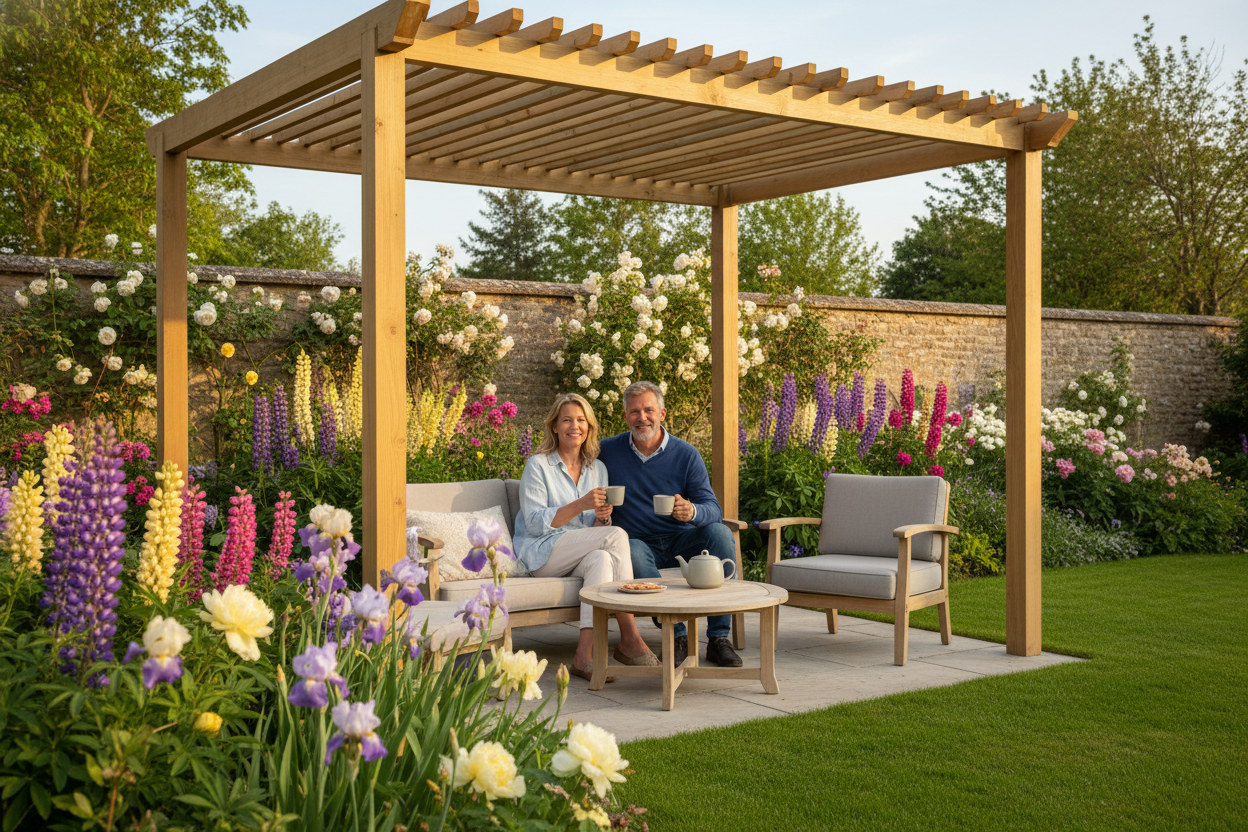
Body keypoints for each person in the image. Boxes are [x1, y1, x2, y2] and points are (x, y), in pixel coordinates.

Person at [513, 392, 659, 681]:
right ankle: (630, 636)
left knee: (602, 558)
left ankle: (583, 656)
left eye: (581, 420)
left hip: (577, 550)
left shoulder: (598, 469)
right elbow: (532, 523)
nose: (574, 426)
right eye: (566, 420)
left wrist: (602, 518)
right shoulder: (538, 466)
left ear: (589, 427)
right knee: (615, 536)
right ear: (554, 426)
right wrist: (581, 505)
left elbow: (593, 532)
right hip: (541, 553)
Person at [596, 381, 743, 668]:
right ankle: (676, 636)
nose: (642, 418)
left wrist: (691, 512)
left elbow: (713, 509)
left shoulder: (686, 454)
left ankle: (718, 639)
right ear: (625, 416)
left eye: (648, 410)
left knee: (720, 532)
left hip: (681, 539)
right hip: (637, 540)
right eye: (634, 412)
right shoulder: (607, 452)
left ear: (662, 413)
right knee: (632, 550)